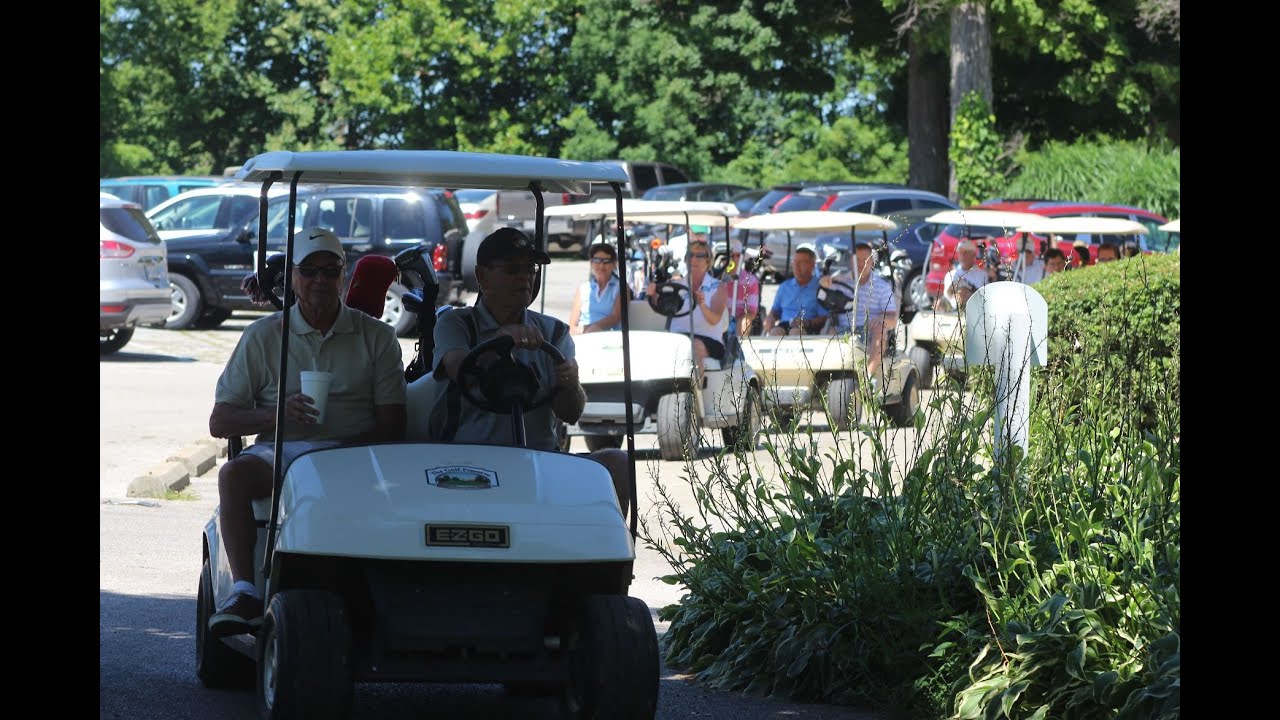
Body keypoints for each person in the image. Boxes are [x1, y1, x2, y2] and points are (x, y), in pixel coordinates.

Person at [207, 227, 407, 636]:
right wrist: (275, 416)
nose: (320, 280)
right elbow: (220, 420)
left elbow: (392, 426)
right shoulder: (263, 336)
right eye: (309, 270)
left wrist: (339, 453)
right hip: (283, 450)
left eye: (330, 271)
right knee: (233, 474)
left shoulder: (378, 337)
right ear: (293, 276)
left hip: (352, 454)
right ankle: (246, 590)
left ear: (345, 276)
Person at [432, 227, 631, 513]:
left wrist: (569, 383)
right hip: (468, 465)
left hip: (541, 461)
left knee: (618, 464)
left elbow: (570, 412)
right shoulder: (457, 324)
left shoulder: (554, 331)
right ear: (482, 276)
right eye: (513, 269)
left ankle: (607, 557)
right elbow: (458, 366)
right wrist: (500, 344)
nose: (524, 277)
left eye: (530, 269)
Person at [647, 238, 731, 376]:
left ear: (708, 261)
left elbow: (715, 319)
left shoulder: (718, 286)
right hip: (678, 337)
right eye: (690, 255)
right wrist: (652, 295)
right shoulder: (676, 285)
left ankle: (693, 395)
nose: (694, 259)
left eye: (699, 256)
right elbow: (662, 306)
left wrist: (702, 304)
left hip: (708, 341)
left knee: (692, 348)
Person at [821, 240, 898, 382]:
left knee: (880, 330)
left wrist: (881, 319)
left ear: (872, 263)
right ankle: (826, 377)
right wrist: (823, 283)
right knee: (828, 329)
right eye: (857, 260)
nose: (861, 264)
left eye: (866, 260)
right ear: (851, 262)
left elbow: (892, 318)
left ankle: (868, 378)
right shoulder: (839, 281)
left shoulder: (881, 286)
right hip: (843, 328)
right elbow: (824, 299)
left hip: (869, 330)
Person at [763, 244, 828, 336]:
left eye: (801, 262)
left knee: (796, 332)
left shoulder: (820, 288)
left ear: (812, 265)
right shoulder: (784, 286)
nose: (796, 266)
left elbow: (824, 317)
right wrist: (770, 317)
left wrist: (806, 323)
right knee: (775, 333)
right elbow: (775, 310)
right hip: (785, 324)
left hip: (808, 327)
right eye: (794, 262)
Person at [568, 241, 623, 334]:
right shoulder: (583, 288)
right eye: (597, 260)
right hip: (582, 333)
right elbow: (572, 324)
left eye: (606, 261)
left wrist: (592, 328)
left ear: (614, 264)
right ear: (591, 262)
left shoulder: (621, 287)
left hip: (609, 335)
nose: (601, 266)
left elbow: (615, 317)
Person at [936, 239, 988, 311]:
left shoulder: (982, 275)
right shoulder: (950, 275)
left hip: (974, 312)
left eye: (966, 252)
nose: (963, 255)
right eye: (960, 252)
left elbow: (982, 299)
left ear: (973, 254)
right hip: (953, 312)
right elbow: (947, 298)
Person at [726, 240, 761, 337]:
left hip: (741, 316)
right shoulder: (718, 278)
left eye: (738, 255)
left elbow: (752, 311)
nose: (734, 259)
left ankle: (738, 348)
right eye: (731, 256)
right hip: (720, 316)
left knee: (743, 324)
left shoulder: (751, 280)